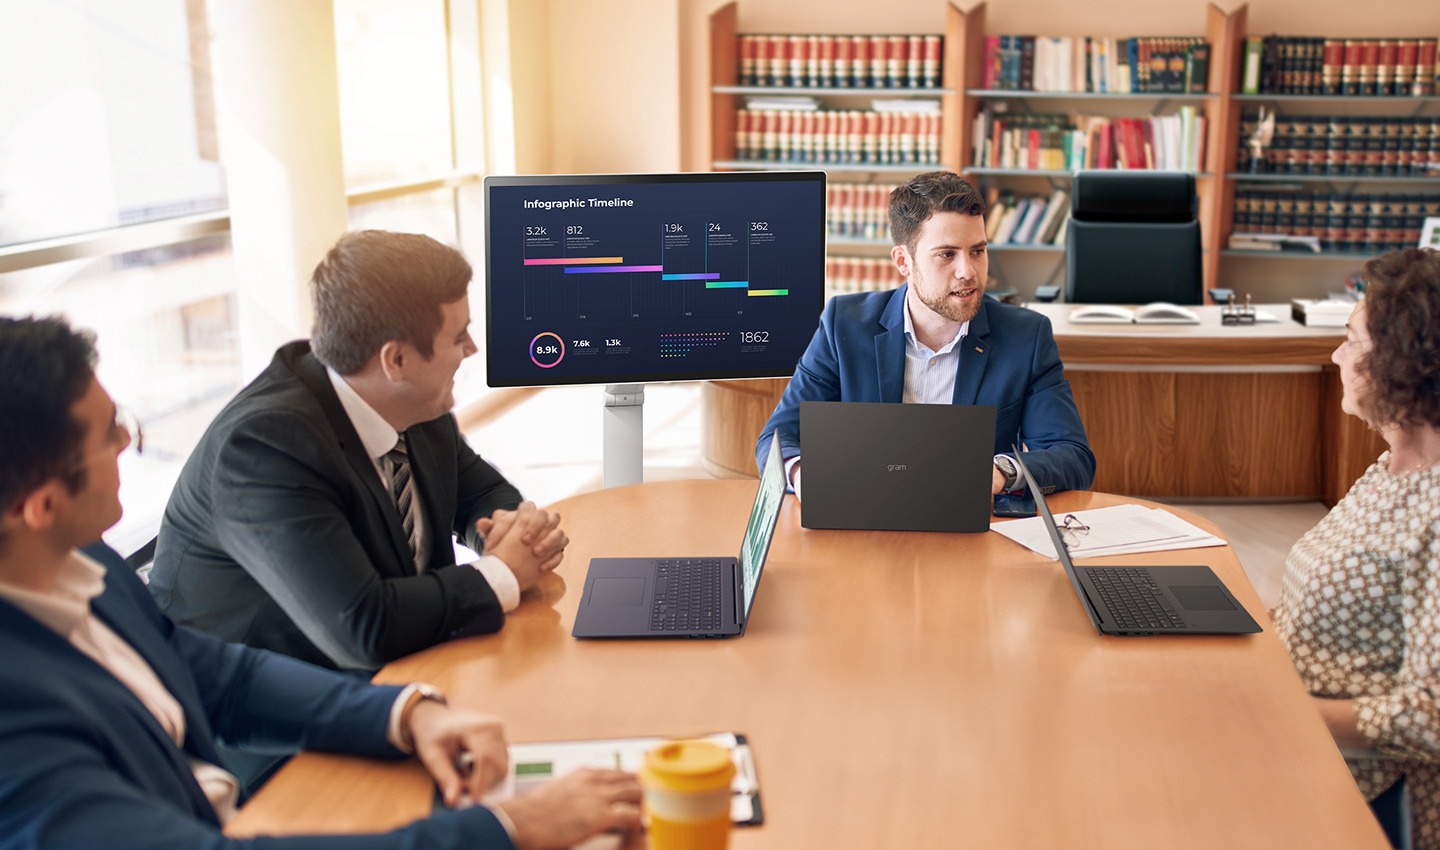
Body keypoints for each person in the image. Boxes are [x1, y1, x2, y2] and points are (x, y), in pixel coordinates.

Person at [0, 315, 643, 850]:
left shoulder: (82, 564)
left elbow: (218, 675)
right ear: (42, 505)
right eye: (110, 435)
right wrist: (507, 830)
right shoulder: (16, 723)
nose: (126, 444)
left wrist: (406, 714)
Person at [148, 230, 566, 673]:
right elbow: (364, 628)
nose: (471, 349)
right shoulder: (266, 448)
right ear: (396, 360)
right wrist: (502, 573)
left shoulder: (413, 402)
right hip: (267, 708)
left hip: (402, 670)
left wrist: (509, 531)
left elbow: (481, 492)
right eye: (459, 336)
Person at [755, 171, 1094, 498]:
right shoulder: (843, 324)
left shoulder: (1026, 336)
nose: (968, 271)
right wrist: (803, 475)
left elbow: (1072, 456)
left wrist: (1000, 472)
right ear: (904, 261)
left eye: (977, 251)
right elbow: (777, 438)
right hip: (864, 521)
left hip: (973, 530)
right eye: (947, 254)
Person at [1271, 247, 1440, 849]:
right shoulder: (1389, 469)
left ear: (1398, 362)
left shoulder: (1435, 510)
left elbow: (1431, 714)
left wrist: (1280, 714)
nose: (1337, 356)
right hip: (1294, 735)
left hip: (1359, 789)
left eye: (1350, 340)